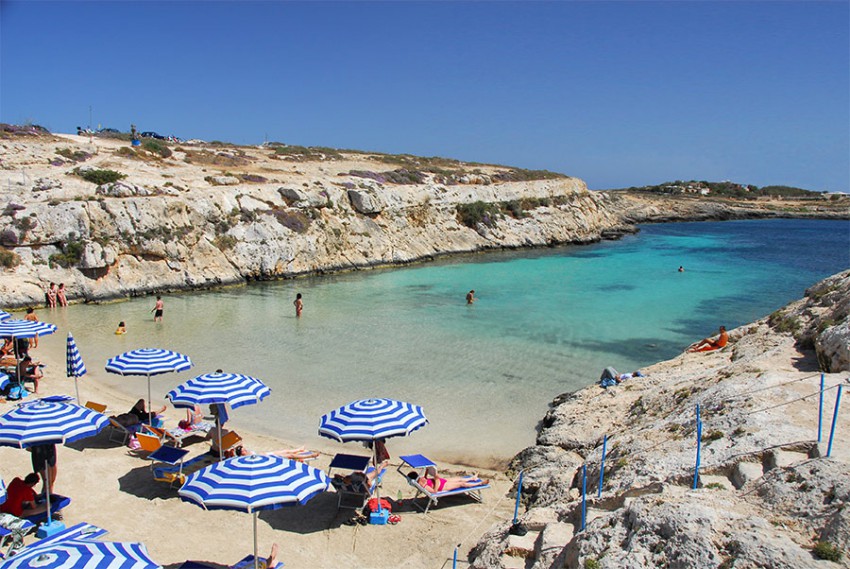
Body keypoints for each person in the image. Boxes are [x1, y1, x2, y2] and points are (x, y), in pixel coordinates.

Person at [407, 467, 488, 493]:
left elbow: (426, 479)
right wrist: (437, 481)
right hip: (442, 486)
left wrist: (427, 471)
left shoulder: (421, 480)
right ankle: (480, 483)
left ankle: (472, 478)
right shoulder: (423, 486)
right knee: (461, 484)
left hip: (441, 481)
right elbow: (434, 491)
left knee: (458, 478)